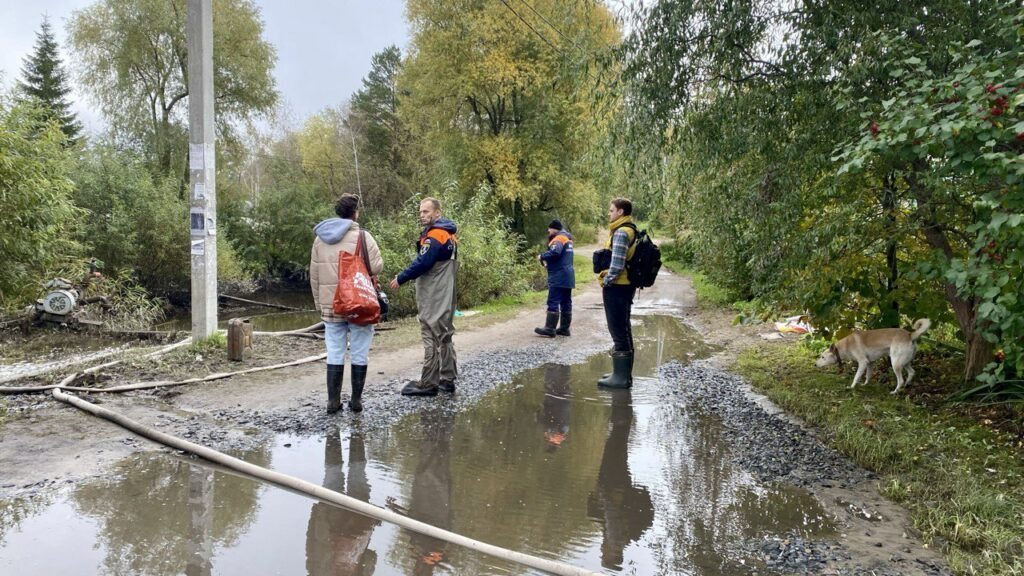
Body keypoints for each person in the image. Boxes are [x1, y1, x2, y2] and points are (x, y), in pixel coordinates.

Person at [310, 194, 384, 413]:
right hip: (357, 303)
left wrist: (319, 303)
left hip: (331, 305)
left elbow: (313, 274)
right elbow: (377, 266)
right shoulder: (363, 236)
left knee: (334, 351)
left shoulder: (319, 238)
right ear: (355, 213)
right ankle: (356, 401)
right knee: (360, 351)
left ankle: (333, 402)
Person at [389, 197, 458, 396]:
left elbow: (423, 262)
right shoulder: (449, 234)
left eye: (426, 212)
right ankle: (447, 378)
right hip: (445, 291)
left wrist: (401, 278)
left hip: (434, 292)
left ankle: (428, 383)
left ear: (437, 213)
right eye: (420, 212)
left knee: (430, 329)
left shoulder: (435, 235)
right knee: (444, 332)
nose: (422, 215)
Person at [596, 198, 638, 388]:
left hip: (618, 287)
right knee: (624, 328)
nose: (609, 213)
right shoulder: (630, 228)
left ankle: (621, 378)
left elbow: (617, 264)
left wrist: (606, 280)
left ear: (620, 212)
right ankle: (623, 374)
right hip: (626, 286)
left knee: (618, 330)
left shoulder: (621, 232)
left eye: (611, 210)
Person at [534, 219, 575, 337]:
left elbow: (555, 252)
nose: (548, 231)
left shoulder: (558, 238)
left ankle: (550, 328)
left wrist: (542, 256)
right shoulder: (568, 238)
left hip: (558, 275)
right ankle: (564, 329)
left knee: (553, 300)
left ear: (554, 228)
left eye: (549, 228)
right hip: (568, 275)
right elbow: (561, 256)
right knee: (566, 301)